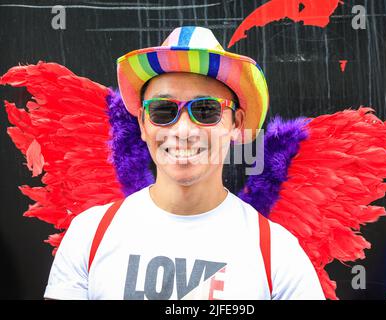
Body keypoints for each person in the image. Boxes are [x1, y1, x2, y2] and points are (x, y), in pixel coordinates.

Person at [43, 26, 325, 300]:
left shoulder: (278, 254)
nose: (183, 131)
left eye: (206, 110)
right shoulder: (89, 235)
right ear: (142, 123)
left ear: (236, 124)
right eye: (163, 110)